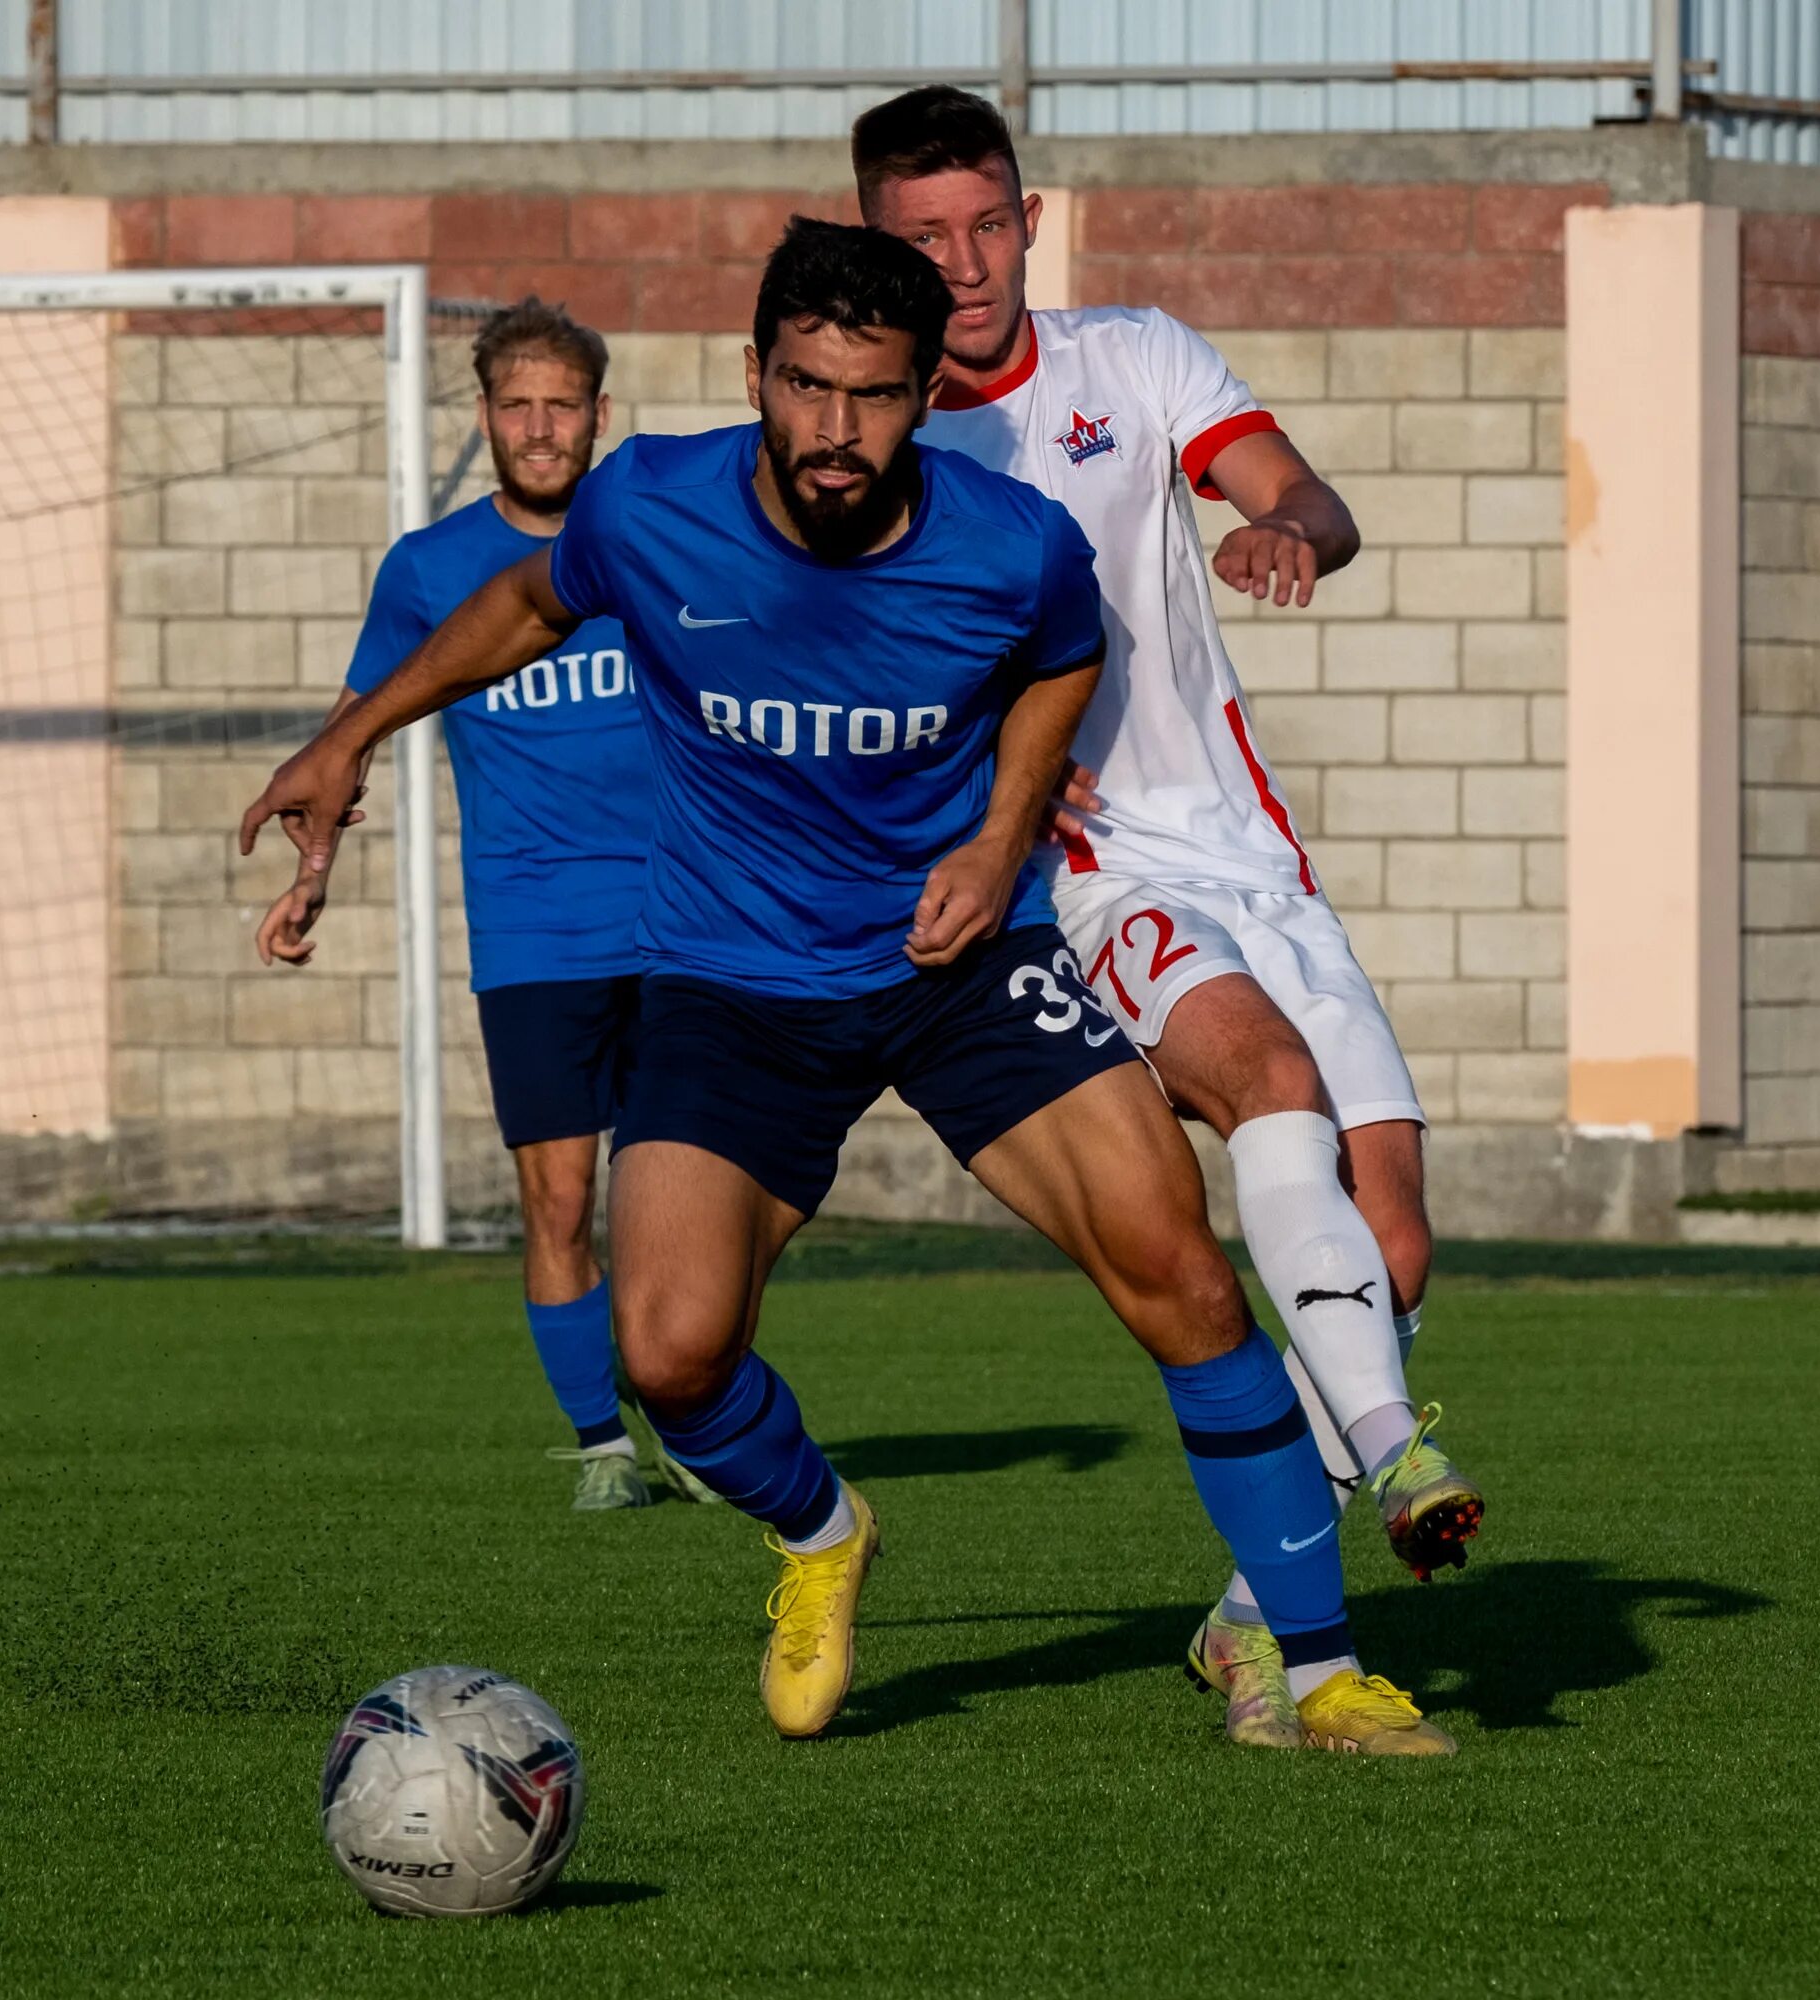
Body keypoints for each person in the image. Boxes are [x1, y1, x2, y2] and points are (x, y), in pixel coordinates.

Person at [241, 219, 1452, 1756]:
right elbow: (529, 606)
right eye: (806, 387)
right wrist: (352, 737)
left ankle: (1322, 1666)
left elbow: (1063, 660)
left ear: (920, 394)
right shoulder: (652, 507)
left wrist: (1005, 831)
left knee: (1188, 1279)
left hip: (964, 968)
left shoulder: (1007, 540)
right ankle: (821, 1535)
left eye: (873, 396)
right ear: (756, 373)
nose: (834, 430)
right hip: (730, 984)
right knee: (670, 1353)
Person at [850, 87, 1486, 1718]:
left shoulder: (1133, 357)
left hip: (1249, 846)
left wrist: (1287, 528)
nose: (967, 261)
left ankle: (1247, 1611)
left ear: (1028, 218)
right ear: (879, 242)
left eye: (989, 223)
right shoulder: (887, 447)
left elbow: (1312, 497)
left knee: (1393, 1238)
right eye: (928, 235)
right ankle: (1395, 1459)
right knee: (1268, 1084)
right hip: (1084, 868)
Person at [258, 298, 710, 1514]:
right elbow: (350, 737)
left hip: (686, 919)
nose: (541, 426)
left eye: (563, 405)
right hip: (534, 932)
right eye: (518, 405)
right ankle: (603, 1450)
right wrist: (312, 878)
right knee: (559, 1196)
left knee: (691, 1203)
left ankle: (712, 1432)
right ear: (486, 418)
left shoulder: (658, 540)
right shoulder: (428, 570)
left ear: (599, 418)